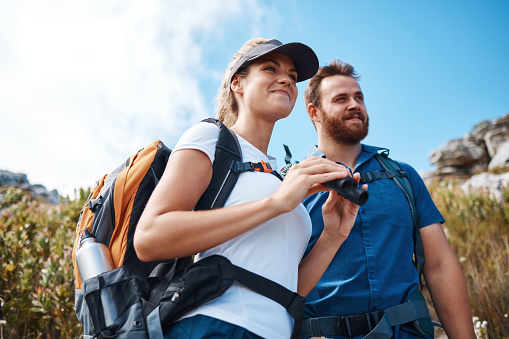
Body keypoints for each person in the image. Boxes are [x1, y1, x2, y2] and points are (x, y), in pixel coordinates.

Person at [134, 39, 365, 339]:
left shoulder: (279, 176)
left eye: (293, 76)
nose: (286, 79)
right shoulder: (210, 138)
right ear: (237, 83)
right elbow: (150, 237)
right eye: (270, 68)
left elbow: (286, 289)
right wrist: (276, 203)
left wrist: (333, 237)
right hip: (212, 327)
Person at [300, 60, 475, 339]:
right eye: (341, 99)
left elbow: (440, 264)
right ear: (315, 112)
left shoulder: (402, 176)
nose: (355, 104)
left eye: (359, 97)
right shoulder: (295, 185)